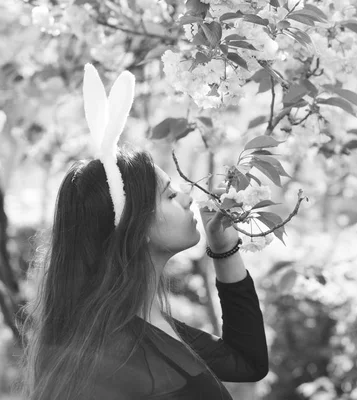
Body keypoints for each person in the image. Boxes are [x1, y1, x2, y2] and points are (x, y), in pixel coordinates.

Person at [18, 65, 268, 399]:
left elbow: (248, 363)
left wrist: (224, 249)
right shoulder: (116, 358)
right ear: (137, 226)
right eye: (169, 194)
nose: (187, 197)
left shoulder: (149, 326)